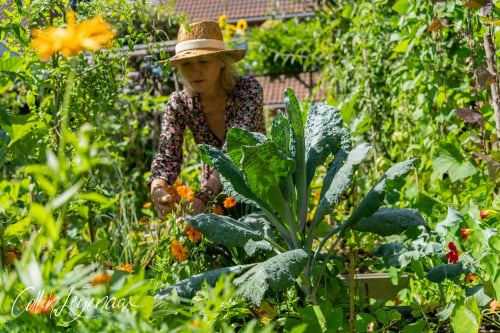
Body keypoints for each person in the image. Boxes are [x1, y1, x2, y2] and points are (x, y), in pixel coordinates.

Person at [149, 20, 265, 219]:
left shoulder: (248, 91)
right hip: (215, 200)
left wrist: (203, 196)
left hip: (260, 189)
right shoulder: (180, 104)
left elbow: (235, 151)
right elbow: (167, 158)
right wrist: (158, 189)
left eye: (203, 61)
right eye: (187, 64)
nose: (195, 72)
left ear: (221, 61)